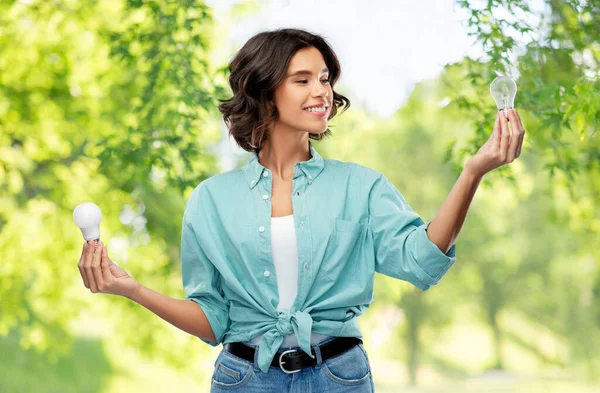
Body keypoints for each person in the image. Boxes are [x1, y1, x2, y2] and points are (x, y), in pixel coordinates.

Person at [77, 28, 525, 392]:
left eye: (326, 78)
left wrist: (472, 172)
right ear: (265, 91)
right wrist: (133, 289)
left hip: (339, 378)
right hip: (243, 380)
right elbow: (212, 322)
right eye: (303, 79)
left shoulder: (360, 186)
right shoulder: (210, 201)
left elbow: (420, 262)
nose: (322, 92)